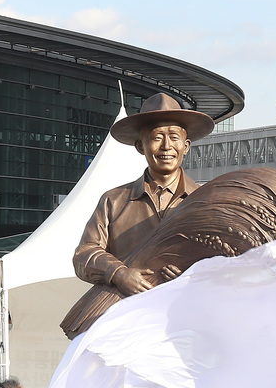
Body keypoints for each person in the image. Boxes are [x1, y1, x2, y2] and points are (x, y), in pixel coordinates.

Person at [72, 93, 213, 298]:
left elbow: (224, 260)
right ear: (140, 146)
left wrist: (192, 275)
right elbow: (83, 254)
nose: (166, 146)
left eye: (174, 137)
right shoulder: (114, 200)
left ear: (186, 146)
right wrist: (118, 274)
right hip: (126, 313)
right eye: (157, 138)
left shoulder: (205, 201)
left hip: (187, 313)